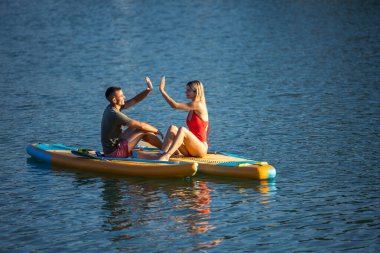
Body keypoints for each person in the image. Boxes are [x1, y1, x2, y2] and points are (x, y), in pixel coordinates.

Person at [101, 77, 163, 158]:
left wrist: (148, 90)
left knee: (135, 128)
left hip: (114, 146)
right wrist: (157, 131)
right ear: (114, 100)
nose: (125, 97)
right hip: (114, 153)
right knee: (143, 130)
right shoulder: (114, 114)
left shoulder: (112, 107)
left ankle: (164, 149)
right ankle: (166, 150)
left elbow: (135, 100)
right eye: (122, 96)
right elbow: (141, 125)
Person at [158, 76, 209, 161]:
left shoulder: (198, 105)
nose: (186, 92)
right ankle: (161, 154)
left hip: (200, 149)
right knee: (172, 128)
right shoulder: (193, 106)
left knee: (182, 129)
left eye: (188, 90)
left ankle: (167, 155)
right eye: (186, 90)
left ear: (196, 92)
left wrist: (162, 91)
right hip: (190, 148)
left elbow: (174, 105)